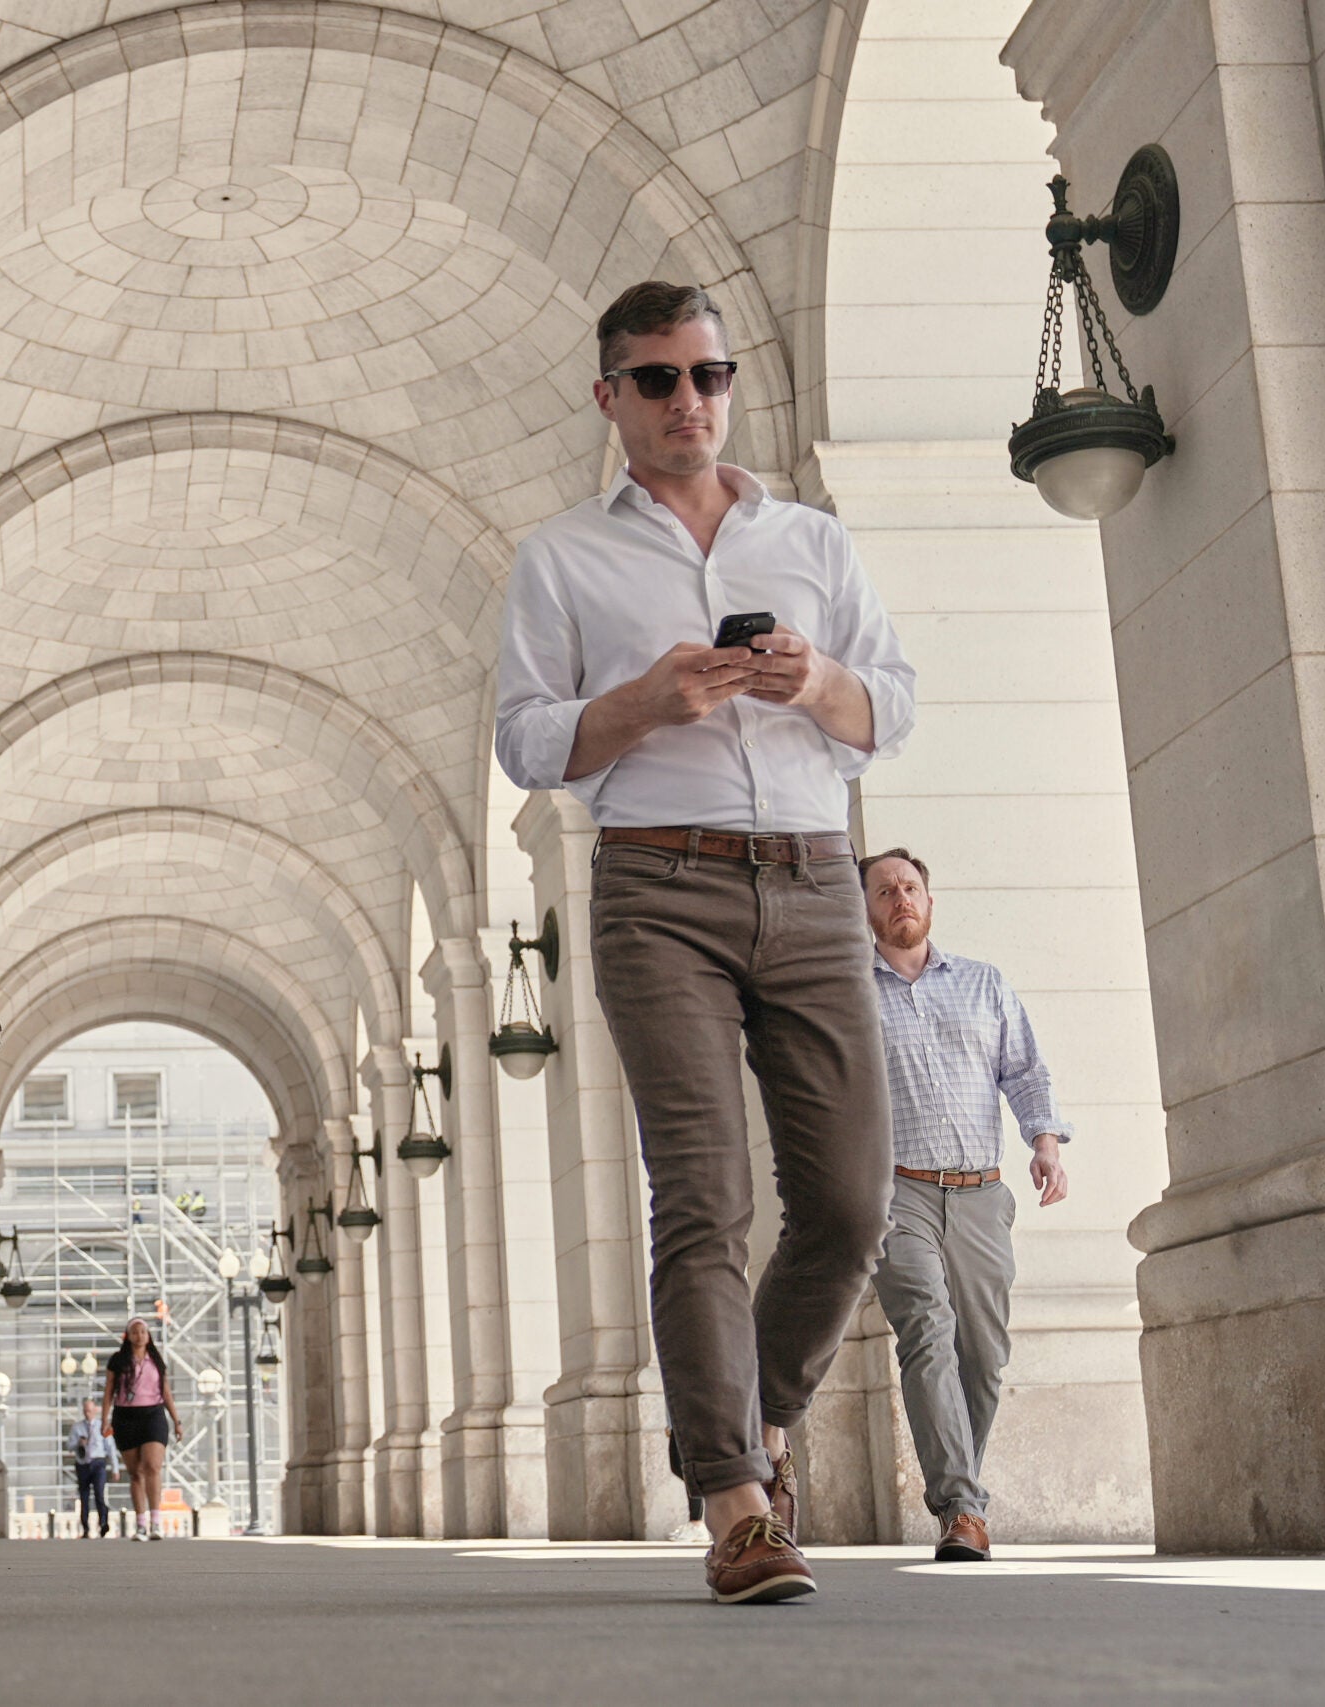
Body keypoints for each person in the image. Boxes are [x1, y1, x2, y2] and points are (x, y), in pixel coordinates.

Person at [494, 280, 917, 1604]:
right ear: (610, 395)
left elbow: (892, 707)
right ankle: (737, 1505)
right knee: (703, 1193)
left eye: (710, 374)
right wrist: (640, 702)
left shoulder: (810, 540)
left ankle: (756, 1416)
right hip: (657, 886)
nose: (691, 399)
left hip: (814, 879)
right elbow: (526, 738)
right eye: (660, 377)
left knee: (850, 1201)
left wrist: (819, 682)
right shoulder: (562, 557)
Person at [861, 848, 1071, 1564]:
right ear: (867, 909)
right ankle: (961, 1507)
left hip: (982, 1194)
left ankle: (961, 1499)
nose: (900, 898)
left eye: (910, 887)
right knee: (927, 1332)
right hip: (899, 1194)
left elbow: (1025, 1070)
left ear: (929, 899)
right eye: (884, 890)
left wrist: (1045, 1143)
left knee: (982, 1358)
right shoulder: (850, 993)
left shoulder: (985, 983)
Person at [102, 1318, 180, 1541]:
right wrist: (104, 1419)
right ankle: (141, 1524)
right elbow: (109, 1391)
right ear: (128, 1336)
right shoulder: (118, 1360)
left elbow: (166, 1392)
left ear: (148, 1335)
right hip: (125, 1416)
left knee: (152, 1466)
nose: (139, 1336)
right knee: (136, 1472)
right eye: (135, 1332)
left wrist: (177, 1420)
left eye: (143, 1332)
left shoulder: (155, 1359)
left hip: (153, 1414)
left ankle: (156, 1522)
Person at [68, 1397, 122, 1538]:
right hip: (82, 1464)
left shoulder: (104, 1426)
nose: (88, 1413)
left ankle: (103, 1523)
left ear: (95, 1410)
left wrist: (115, 1468)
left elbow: (111, 1448)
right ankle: (85, 1527)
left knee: (99, 1493)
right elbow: (69, 1446)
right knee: (84, 1496)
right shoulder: (76, 1427)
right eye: (85, 1411)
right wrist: (79, 1443)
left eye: (90, 1411)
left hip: (98, 1463)